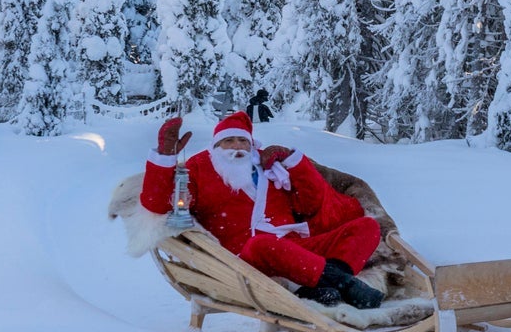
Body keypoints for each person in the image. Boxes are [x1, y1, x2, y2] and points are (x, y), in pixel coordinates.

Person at [138, 111, 387, 310]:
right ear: (216, 145)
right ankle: (345, 284)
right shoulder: (199, 168)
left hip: (298, 250)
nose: (237, 147)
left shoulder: (270, 166)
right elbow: (156, 204)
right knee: (263, 244)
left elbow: (311, 204)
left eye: (242, 141)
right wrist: (165, 157)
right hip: (249, 257)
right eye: (228, 141)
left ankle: (316, 286)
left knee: (368, 227)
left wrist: (292, 161)